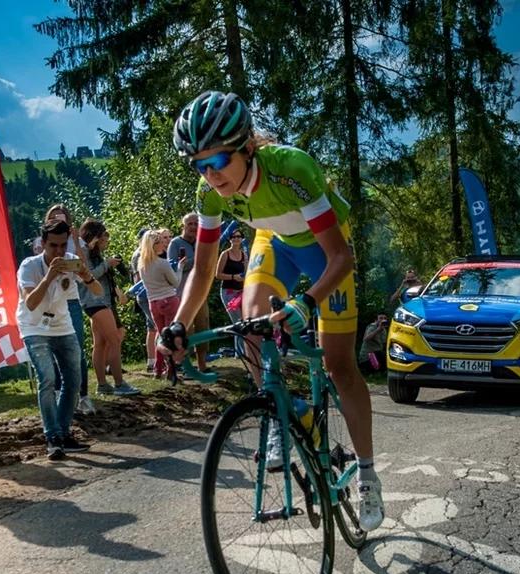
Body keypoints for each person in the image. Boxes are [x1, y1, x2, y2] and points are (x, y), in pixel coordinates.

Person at [161, 90, 384, 531]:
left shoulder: (291, 168)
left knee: (340, 365)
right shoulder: (209, 194)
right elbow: (204, 268)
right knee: (250, 321)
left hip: (324, 249)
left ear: (246, 148)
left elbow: (342, 258)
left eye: (218, 161)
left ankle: (369, 475)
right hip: (275, 243)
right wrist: (178, 323)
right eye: (199, 165)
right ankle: (288, 412)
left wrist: (307, 301)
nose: (210, 175)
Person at [16, 216, 100, 459]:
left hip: (62, 326)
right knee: (48, 379)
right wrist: (49, 275)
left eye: (63, 245)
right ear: (43, 243)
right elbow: (31, 302)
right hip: (34, 327)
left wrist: (86, 275)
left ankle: (64, 433)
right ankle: (52, 436)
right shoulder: (29, 266)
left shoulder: (72, 262)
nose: (59, 251)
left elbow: (97, 291)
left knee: (74, 380)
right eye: (53, 245)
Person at [43, 205, 95, 414]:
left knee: (77, 350)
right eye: (54, 218)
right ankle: (59, 395)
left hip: (71, 299)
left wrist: (74, 240)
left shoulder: (75, 242)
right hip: (49, 301)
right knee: (52, 350)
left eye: (62, 219)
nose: (59, 222)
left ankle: (82, 396)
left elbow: (84, 267)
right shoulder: (42, 242)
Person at [78, 219, 139, 396]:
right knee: (114, 340)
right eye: (104, 237)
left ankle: (102, 385)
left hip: (99, 301)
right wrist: (107, 265)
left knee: (101, 344)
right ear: (96, 237)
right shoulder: (83, 251)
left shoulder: (93, 252)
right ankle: (119, 384)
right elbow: (87, 276)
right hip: (95, 301)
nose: (107, 241)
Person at [137, 229, 181, 377]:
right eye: (161, 242)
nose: (164, 244)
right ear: (154, 245)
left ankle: (158, 368)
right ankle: (171, 369)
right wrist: (180, 269)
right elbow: (175, 282)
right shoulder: (162, 263)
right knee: (170, 337)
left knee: (160, 336)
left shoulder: (142, 264)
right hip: (169, 300)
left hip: (153, 302)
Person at [168, 214, 209, 372]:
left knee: (203, 327)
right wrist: (196, 262)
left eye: (196, 223)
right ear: (183, 226)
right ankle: (184, 366)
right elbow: (173, 269)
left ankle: (202, 364)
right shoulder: (175, 243)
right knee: (185, 330)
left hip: (201, 293)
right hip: (182, 295)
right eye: (190, 223)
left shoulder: (202, 242)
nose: (193, 226)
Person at [128, 228, 158, 373]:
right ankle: (158, 361)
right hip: (145, 294)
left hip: (148, 293)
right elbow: (139, 277)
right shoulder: (140, 254)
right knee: (158, 326)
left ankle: (151, 361)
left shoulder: (143, 253)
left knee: (151, 328)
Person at [215, 228, 246, 355]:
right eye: (233, 237)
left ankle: (241, 352)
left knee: (244, 321)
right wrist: (234, 277)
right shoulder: (225, 254)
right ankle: (241, 353)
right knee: (237, 321)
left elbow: (247, 272)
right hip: (228, 292)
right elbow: (218, 274)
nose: (236, 239)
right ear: (230, 239)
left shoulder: (244, 254)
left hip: (242, 291)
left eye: (239, 236)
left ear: (242, 239)